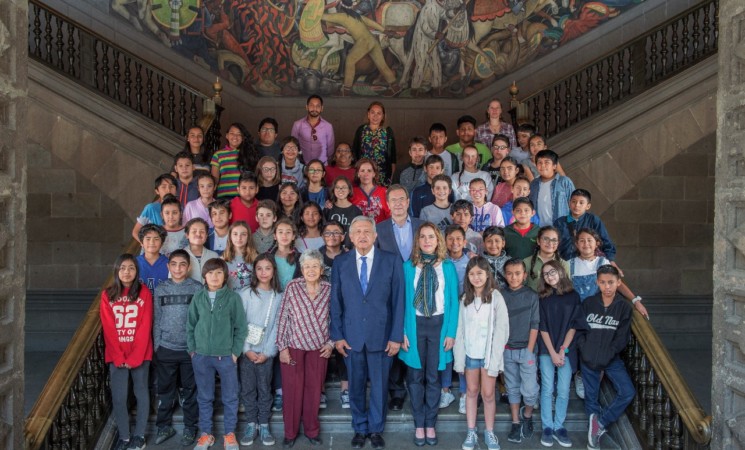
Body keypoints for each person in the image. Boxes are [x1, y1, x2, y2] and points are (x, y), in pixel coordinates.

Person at [330, 216, 405, 450]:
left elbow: (398, 301)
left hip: (382, 337)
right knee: (355, 386)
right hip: (351, 338)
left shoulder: (391, 261)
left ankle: (375, 429)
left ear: (375, 236)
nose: (362, 235)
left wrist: (395, 336)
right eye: (357, 231)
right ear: (350, 237)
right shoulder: (340, 263)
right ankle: (360, 428)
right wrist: (338, 336)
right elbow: (335, 302)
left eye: (367, 231)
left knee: (380, 387)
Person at [398, 223, 459, 447]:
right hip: (414, 325)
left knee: (433, 376)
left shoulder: (448, 267)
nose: (426, 241)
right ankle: (419, 423)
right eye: (422, 237)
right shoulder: (408, 267)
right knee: (415, 376)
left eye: (431, 237)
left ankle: (431, 423)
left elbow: (453, 302)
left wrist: (451, 332)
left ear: (438, 240)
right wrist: (402, 331)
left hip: (439, 325)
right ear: (417, 241)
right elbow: (400, 302)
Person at [187, 258, 247, 450]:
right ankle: (206, 435)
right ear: (204, 276)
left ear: (225, 276)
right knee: (205, 397)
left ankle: (229, 434)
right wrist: (193, 350)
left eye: (219, 272)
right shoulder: (198, 297)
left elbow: (240, 328)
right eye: (211, 273)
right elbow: (190, 325)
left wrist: (235, 352)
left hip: (226, 357)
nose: (215, 276)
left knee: (230, 397)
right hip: (201, 356)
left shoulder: (233, 298)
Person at [276, 249, 333, 447]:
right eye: (307, 266)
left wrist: (331, 343)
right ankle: (290, 433)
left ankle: (311, 431)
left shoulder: (329, 288)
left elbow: (335, 318)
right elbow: (282, 317)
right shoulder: (293, 287)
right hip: (293, 347)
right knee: (292, 392)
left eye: (314, 266)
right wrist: (282, 347)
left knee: (314, 391)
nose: (310, 270)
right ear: (301, 269)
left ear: (321, 268)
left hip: (319, 348)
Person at [576, 265, 636, 450]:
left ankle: (600, 424)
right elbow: (580, 332)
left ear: (618, 282)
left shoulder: (623, 307)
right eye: (603, 282)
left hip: (611, 359)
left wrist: (606, 358)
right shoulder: (589, 304)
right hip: (588, 358)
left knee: (627, 391)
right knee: (591, 397)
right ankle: (593, 437)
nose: (607, 286)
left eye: (611, 282)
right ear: (597, 282)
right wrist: (585, 351)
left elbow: (621, 338)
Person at [374, 184, 423, 410]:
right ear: (387, 204)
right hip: (390, 293)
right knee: (393, 336)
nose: (398, 203)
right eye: (393, 200)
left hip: (419, 291)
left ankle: (417, 385)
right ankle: (396, 391)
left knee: (415, 337)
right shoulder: (379, 229)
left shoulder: (422, 226)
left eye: (402, 199)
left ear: (408, 200)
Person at [453, 256, 509, 450]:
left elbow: (502, 330)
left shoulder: (496, 297)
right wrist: (459, 359)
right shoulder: (464, 299)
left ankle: (490, 432)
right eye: (471, 274)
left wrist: (495, 360)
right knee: (471, 392)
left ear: (487, 274)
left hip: (488, 357)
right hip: (470, 355)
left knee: (488, 394)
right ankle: (471, 432)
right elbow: (459, 330)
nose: (476, 278)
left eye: (479, 273)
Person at [100, 254, 153, 450]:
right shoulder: (107, 295)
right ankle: (124, 436)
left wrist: (134, 357)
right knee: (119, 397)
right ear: (116, 271)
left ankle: (139, 435)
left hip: (140, 354)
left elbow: (144, 326)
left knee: (141, 393)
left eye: (131, 268)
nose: (127, 272)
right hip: (117, 355)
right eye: (122, 268)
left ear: (136, 271)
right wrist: (120, 357)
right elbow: (109, 328)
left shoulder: (144, 292)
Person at [153, 249, 202, 447]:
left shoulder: (197, 288)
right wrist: (157, 345)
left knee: (189, 390)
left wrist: (197, 347)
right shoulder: (161, 289)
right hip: (166, 348)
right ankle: (164, 426)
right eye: (174, 264)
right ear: (168, 266)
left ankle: (191, 427)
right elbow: (157, 318)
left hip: (190, 350)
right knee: (165, 390)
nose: (178, 268)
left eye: (182, 264)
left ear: (189, 267)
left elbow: (201, 320)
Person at [537, 261, 583, 448]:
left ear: (561, 272)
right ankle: (547, 427)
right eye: (546, 274)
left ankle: (559, 426)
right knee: (547, 388)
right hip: (546, 349)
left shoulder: (573, 296)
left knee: (563, 390)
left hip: (566, 350)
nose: (550, 276)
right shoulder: (542, 297)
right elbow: (542, 327)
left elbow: (574, 324)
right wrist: (552, 353)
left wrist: (562, 349)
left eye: (553, 272)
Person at [238, 254, 283, 447]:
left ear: (274, 271)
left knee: (265, 389)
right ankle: (251, 423)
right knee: (248, 389)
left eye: (268, 268)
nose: (263, 272)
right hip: (247, 352)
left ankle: (264, 424)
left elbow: (277, 326)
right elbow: (239, 324)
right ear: (254, 271)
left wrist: (268, 351)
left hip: (266, 352)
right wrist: (246, 349)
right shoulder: (245, 293)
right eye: (259, 268)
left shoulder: (279, 296)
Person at [501, 259, 539, 444]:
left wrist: (530, 350)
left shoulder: (531, 295)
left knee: (530, 390)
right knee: (512, 388)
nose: (513, 277)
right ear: (505, 275)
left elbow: (535, 324)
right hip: (507, 350)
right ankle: (516, 422)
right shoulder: (500, 295)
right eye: (509, 273)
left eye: (517, 273)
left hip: (526, 349)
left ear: (524, 275)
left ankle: (528, 415)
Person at [554, 189, 616, 263]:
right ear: (569, 203)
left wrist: (610, 260)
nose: (577, 205)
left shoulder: (593, 220)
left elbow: (606, 242)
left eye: (581, 203)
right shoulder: (560, 222)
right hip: (565, 262)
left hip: (589, 263)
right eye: (574, 202)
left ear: (588, 206)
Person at [352, 101, 397, 185]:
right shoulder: (361, 130)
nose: (375, 116)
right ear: (368, 114)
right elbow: (354, 152)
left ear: (383, 116)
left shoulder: (388, 131)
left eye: (379, 113)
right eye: (372, 112)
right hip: (363, 174)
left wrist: (392, 176)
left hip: (383, 174)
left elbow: (393, 157)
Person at [211, 123, 258, 198]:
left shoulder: (249, 154)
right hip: (224, 197)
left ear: (243, 137)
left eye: (239, 134)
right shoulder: (218, 155)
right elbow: (214, 180)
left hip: (244, 197)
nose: (235, 136)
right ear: (227, 136)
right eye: (232, 133)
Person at [131, 173, 177, 244]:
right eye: (164, 187)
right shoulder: (151, 208)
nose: (168, 190)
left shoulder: (181, 207)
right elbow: (136, 231)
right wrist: (146, 245)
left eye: (171, 186)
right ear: (157, 191)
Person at [291, 95, 335, 164]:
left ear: (322, 108)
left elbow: (330, 150)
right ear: (306, 107)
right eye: (311, 105)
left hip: (322, 165)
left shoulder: (328, 126)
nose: (314, 108)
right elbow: (293, 146)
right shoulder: (297, 125)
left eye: (318, 106)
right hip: (303, 165)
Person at [525, 226, 570, 291]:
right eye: (546, 239)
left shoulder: (563, 264)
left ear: (558, 243)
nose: (550, 243)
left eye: (554, 240)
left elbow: (567, 288)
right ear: (538, 241)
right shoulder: (527, 262)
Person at [351, 158, 390, 223]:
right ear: (358, 174)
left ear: (374, 174)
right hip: (359, 231)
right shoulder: (351, 192)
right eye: (362, 171)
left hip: (381, 231)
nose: (366, 174)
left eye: (369, 171)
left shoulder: (384, 192)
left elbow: (390, 214)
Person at [223, 221, 258, 292]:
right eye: (235, 234)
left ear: (248, 237)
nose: (239, 237)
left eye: (243, 234)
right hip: (231, 300)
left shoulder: (256, 258)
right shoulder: (223, 259)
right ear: (230, 236)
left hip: (249, 300)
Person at [271, 218, 302, 290]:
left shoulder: (300, 258)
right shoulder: (268, 257)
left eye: (288, 232)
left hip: (294, 298)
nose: (284, 235)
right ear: (275, 236)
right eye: (280, 232)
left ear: (293, 236)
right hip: (274, 297)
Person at [136, 224, 169, 292]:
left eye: (156, 239)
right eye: (148, 239)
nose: (152, 242)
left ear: (162, 243)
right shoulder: (134, 263)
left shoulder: (169, 263)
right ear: (141, 242)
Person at [482, 226, 510, 290]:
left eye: (497, 241)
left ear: (503, 243)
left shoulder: (509, 262)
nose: (493, 245)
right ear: (484, 243)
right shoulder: (479, 262)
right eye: (489, 241)